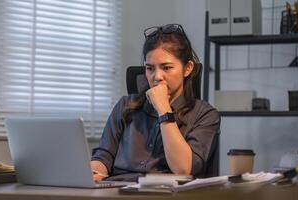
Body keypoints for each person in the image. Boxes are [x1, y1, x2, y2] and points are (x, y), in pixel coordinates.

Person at [91, 24, 220, 182]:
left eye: (166, 68)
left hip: (168, 193)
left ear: (187, 68)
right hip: (119, 190)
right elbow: (103, 157)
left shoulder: (205, 114)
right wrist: (95, 170)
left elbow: (183, 169)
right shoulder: (125, 105)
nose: (157, 76)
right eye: (150, 68)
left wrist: (164, 110)